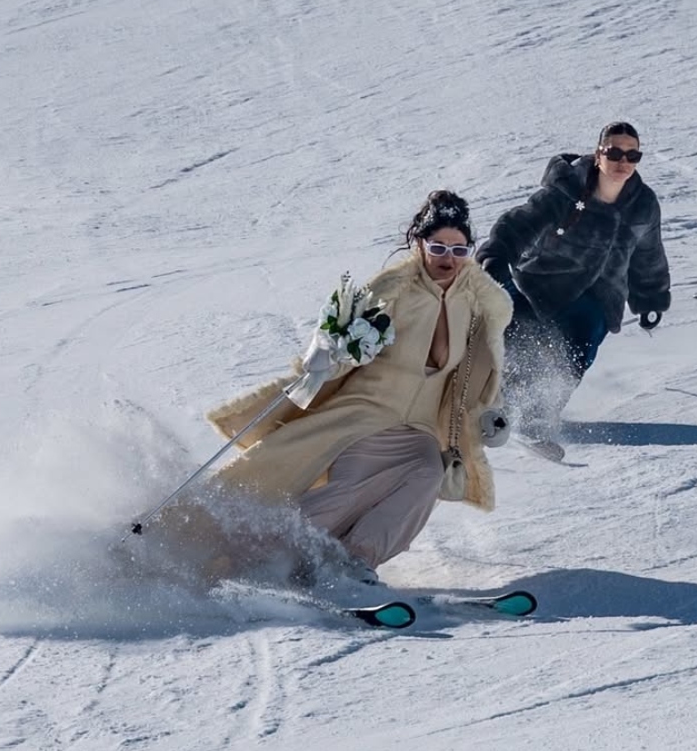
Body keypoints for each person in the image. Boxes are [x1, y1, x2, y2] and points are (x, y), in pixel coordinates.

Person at [202, 191, 513, 584]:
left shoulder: (478, 304)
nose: (447, 258)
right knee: (350, 488)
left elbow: (480, 368)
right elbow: (346, 341)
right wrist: (328, 351)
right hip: (365, 412)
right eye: (437, 247)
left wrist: (491, 411)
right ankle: (259, 559)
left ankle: (355, 561)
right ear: (419, 243)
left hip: (418, 427)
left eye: (458, 249)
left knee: (425, 474)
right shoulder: (394, 290)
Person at [475, 123, 671, 458]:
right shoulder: (566, 190)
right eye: (615, 152)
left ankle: (536, 418)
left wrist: (650, 297)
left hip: (600, 298)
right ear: (599, 154)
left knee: (575, 350)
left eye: (632, 154)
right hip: (543, 285)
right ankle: (495, 401)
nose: (623, 161)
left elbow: (648, 253)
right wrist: (496, 255)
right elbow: (518, 223)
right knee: (521, 340)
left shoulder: (643, 205)